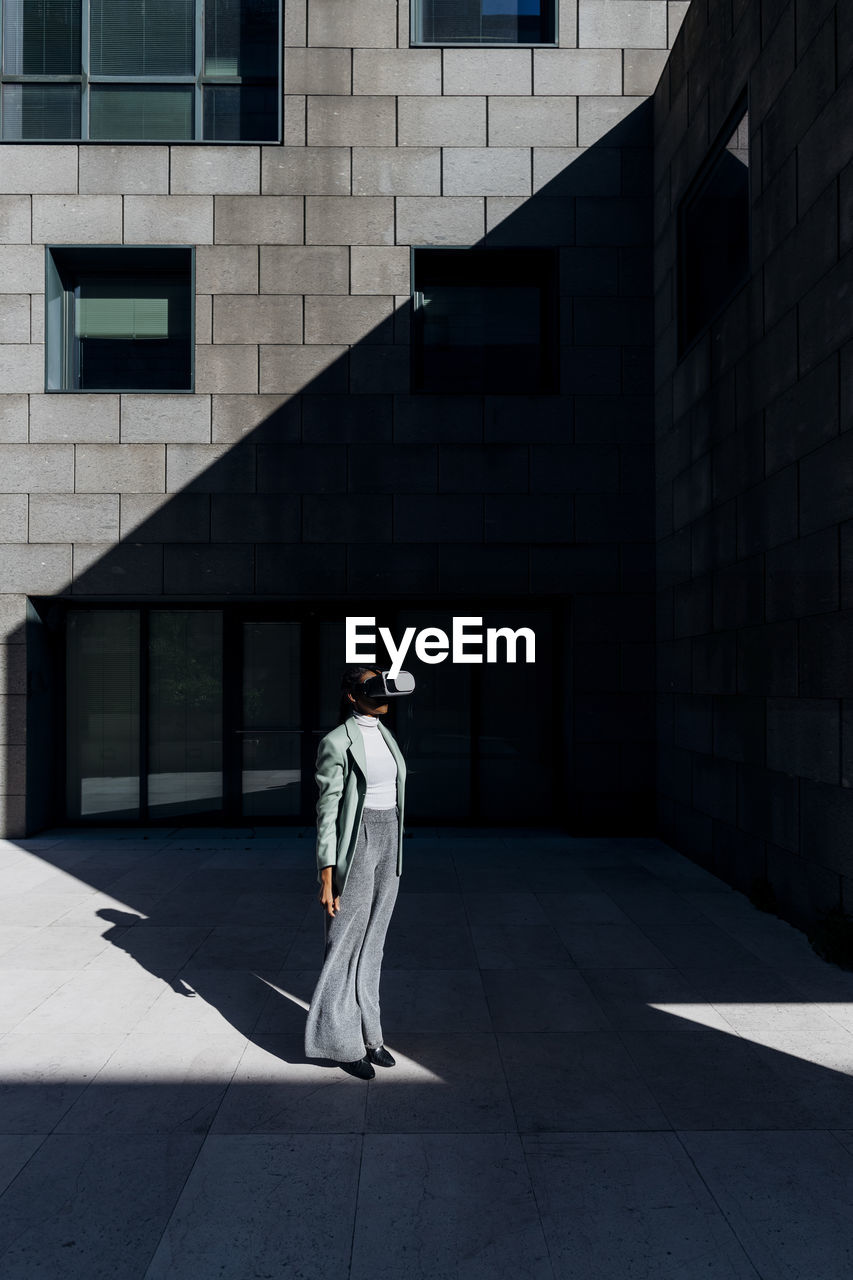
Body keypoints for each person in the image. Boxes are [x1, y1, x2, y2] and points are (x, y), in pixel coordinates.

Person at [304, 665, 408, 1080]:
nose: (383, 694)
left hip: (390, 836)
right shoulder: (336, 742)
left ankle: (369, 1035)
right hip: (358, 839)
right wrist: (327, 873)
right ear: (351, 695)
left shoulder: (384, 733)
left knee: (374, 943)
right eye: (373, 686)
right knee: (345, 941)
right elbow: (327, 810)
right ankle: (339, 1042)